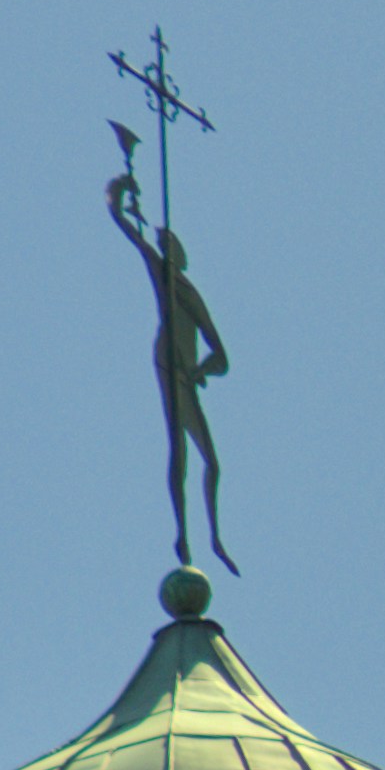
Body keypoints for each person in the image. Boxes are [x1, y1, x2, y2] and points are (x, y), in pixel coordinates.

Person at [106, 123, 231, 567]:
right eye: (164, 243)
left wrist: (201, 371)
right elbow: (127, 230)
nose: (165, 245)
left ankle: (212, 537)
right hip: (166, 363)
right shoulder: (161, 274)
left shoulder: (190, 292)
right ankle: (184, 536)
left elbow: (222, 356)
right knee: (177, 448)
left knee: (212, 463)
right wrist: (118, 194)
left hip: (185, 372)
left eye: (169, 242)